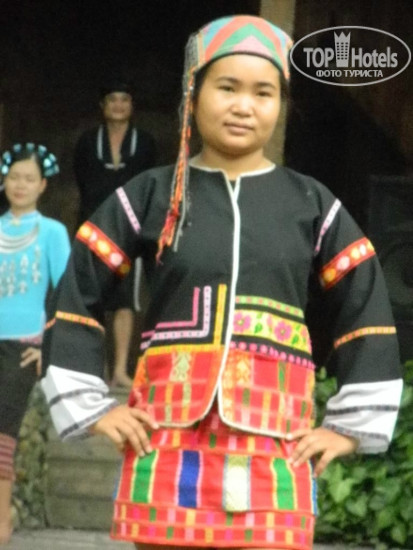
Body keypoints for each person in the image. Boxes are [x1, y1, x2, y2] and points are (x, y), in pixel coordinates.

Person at [41, 15, 403, 550]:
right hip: (165, 435)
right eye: (227, 88)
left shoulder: (310, 204)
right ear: (193, 94)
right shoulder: (150, 195)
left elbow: (364, 298)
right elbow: (79, 287)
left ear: (280, 105)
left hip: (276, 439)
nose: (243, 106)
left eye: (263, 93)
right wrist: (92, 404)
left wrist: (349, 426)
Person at [0, 143, 70, 545]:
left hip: (23, 346)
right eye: (14, 177)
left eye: (29, 179)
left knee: (3, 430)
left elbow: (66, 293)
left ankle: (2, 521)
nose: (20, 185)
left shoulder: (52, 233)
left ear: (43, 185)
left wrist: (49, 346)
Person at [73, 80, 157, 387]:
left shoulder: (144, 142)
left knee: (124, 301)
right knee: (94, 299)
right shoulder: (87, 142)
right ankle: (99, 369)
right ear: (102, 106)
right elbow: (82, 182)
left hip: (132, 230)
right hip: (95, 228)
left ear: (131, 106)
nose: (118, 105)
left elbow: (149, 184)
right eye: (112, 100)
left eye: (124, 100)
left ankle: (120, 370)